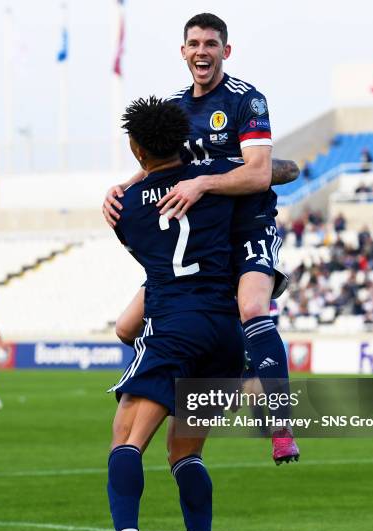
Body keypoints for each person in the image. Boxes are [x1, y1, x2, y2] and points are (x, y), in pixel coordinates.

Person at [104, 13, 300, 464]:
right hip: (201, 241)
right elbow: (160, 164)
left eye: (211, 44)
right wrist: (124, 186)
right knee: (125, 327)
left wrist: (202, 184)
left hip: (247, 225)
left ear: (225, 51)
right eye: (193, 43)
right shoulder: (175, 108)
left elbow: (257, 173)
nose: (201, 51)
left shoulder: (246, 100)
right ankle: (203, 367)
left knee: (253, 307)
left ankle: (279, 420)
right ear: (183, 51)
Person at [77, 97, 246, 531]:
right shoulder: (217, 179)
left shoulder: (122, 211)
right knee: (184, 452)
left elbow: (155, 266)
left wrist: (131, 185)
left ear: (135, 148)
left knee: (126, 436)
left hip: (174, 324)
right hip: (225, 333)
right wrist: (210, 174)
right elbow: (274, 171)